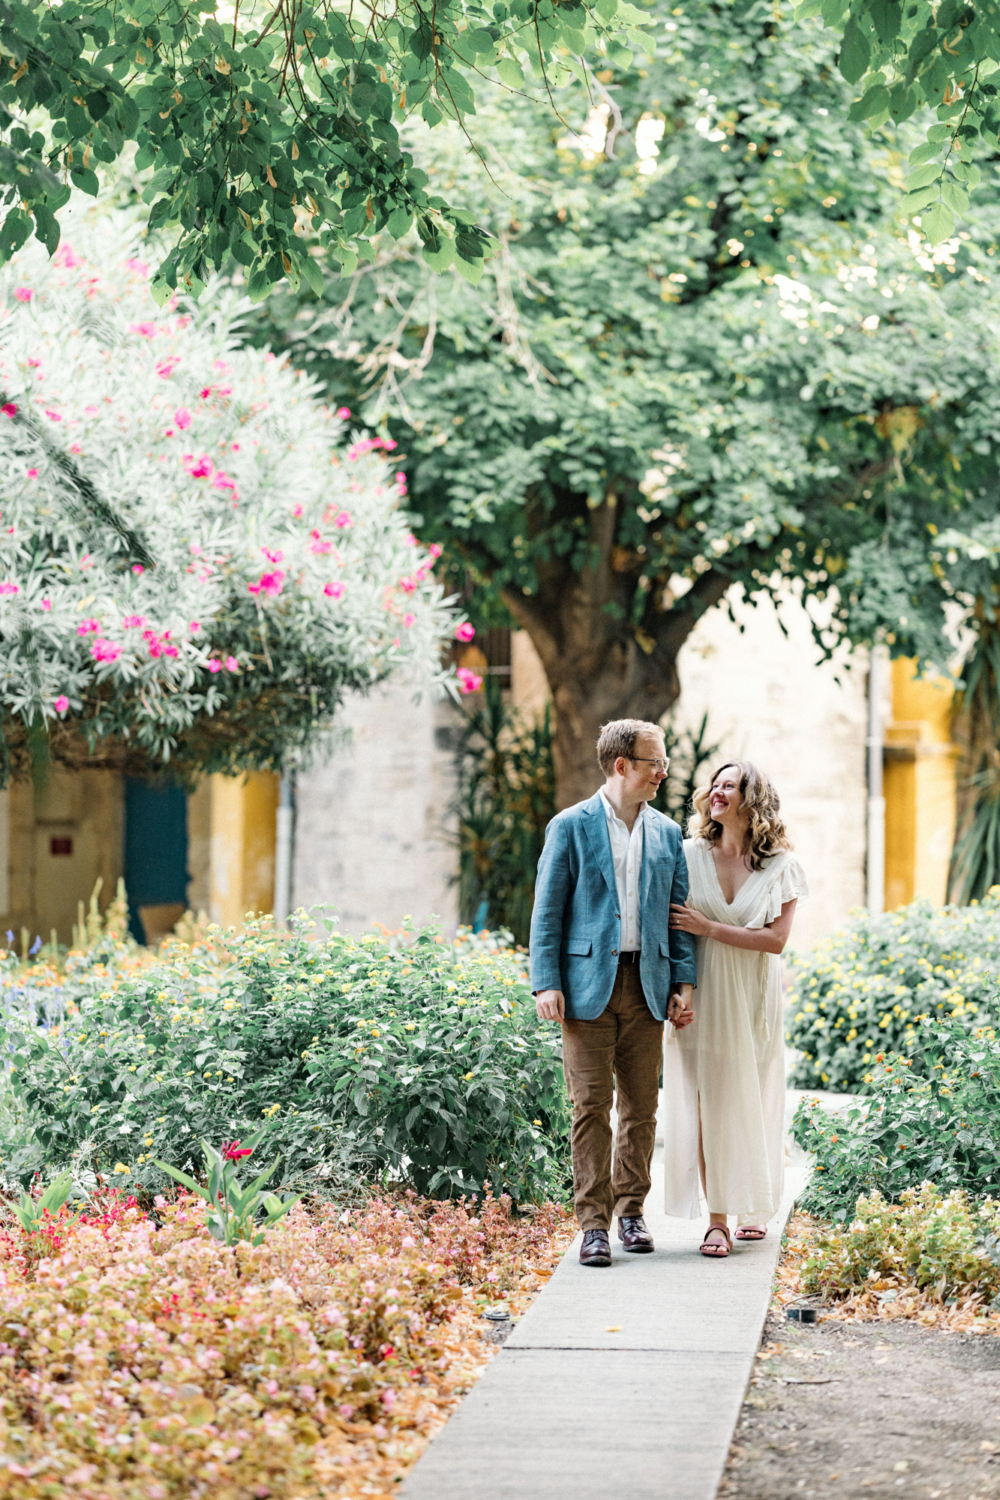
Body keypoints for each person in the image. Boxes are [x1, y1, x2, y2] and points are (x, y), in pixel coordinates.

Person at [530, 718, 697, 1268]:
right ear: (622, 765)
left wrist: (683, 982)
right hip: (584, 990)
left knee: (642, 1109)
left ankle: (631, 1211)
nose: (664, 771)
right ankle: (593, 1225)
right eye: (655, 761)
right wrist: (546, 981)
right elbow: (548, 910)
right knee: (590, 1107)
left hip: (647, 986)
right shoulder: (570, 826)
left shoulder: (669, 834)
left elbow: (677, 920)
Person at [665, 760, 808, 1258]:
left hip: (752, 997)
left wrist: (710, 928)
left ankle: (754, 1208)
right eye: (716, 784)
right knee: (707, 1105)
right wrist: (677, 992)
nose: (718, 791)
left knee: (749, 1099)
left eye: (731, 785)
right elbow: (671, 932)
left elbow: (775, 941)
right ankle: (717, 1220)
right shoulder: (686, 856)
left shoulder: (781, 866)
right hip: (700, 995)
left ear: (753, 801)